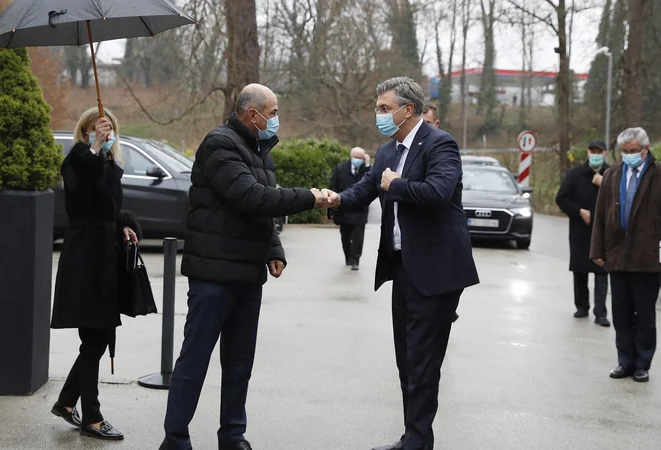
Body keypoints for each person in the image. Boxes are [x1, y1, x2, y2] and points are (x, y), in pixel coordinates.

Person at [160, 84, 326, 450]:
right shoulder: (219, 144)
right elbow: (252, 197)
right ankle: (175, 440)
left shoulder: (260, 150)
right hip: (214, 276)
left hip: (248, 275)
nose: (277, 118)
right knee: (195, 361)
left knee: (239, 365)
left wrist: (274, 249)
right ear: (253, 115)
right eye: (274, 110)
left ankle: (233, 436)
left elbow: (260, 211)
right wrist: (310, 197)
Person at [322, 77, 479, 450]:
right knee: (406, 361)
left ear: (407, 110)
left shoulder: (440, 144)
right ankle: (414, 437)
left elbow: (439, 192)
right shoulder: (387, 151)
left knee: (423, 362)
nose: (378, 115)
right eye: (377, 108)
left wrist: (397, 185)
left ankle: (418, 442)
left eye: (383, 108)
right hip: (402, 268)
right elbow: (364, 191)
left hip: (437, 270)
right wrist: (335, 199)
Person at [50, 107, 140, 441]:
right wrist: (92, 148)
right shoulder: (76, 161)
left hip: (106, 258)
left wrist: (125, 223)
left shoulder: (109, 165)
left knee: (96, 338)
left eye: (108, 129)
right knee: (93, 338)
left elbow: (107, 208)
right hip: (85, 259)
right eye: (97, 129)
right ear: (84, 131)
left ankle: (66, 402)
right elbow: (78, 198)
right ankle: (92, 416)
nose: (104, 134)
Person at [590, 127, 661, 383]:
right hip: (617, 255)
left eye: (633, 151)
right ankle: (625, 360)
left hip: (648, 256)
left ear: (645, 149)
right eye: (625, 151)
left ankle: (643, 363)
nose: (629, 155)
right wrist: (597, 250)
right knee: (620, 314)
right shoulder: (612, 174)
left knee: (644, 314)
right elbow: (600, 216)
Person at [555, 140, 611, 327]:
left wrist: (604, 183)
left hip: (604, 231)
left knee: (602, 272)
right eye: (593, 151)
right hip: (580, 230)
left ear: (605, 153)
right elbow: (561, 198)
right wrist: (578, 211)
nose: (596, 154)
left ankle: (600, 312)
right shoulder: (576, 174)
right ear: (588, 153)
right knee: (580, 270)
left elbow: (622, 197)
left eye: (599, 151)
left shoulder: (612, 175)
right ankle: (581, 306)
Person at [330, 147, 371, 270]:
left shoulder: (366, 170)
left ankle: (355, 260)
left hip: (360, 209)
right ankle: (348, 257)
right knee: (345, 235)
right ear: (350, 156)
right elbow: (333, 185)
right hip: (344, 208)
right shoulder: (340, 168)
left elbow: (372, 182)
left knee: (358, 237)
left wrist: (368, 165)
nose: (358, 160)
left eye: (360, 158)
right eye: (356, 157)